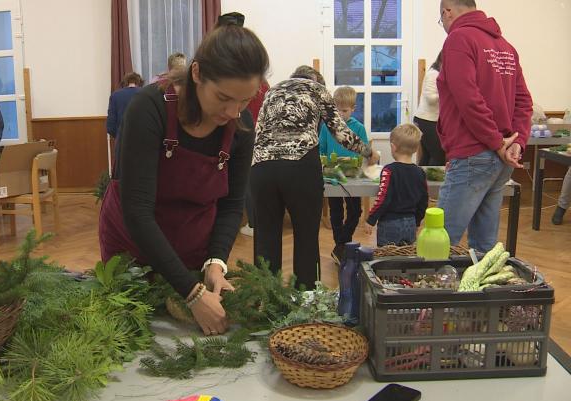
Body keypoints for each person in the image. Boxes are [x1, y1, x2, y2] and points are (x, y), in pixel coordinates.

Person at [98, 22, 269, 336]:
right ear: (196, 74)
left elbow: (232, 205)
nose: (234, 111)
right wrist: (192, 293)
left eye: (244, 101)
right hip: (132, 249)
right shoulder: (150, 108)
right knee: (135, 334)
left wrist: (215, 263)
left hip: (192, 249)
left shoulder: (240, 125)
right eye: (223, 97)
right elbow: (137, 212)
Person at [251, 66, 378, 290]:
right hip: (300, 167)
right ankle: (306, 299)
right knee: (306, 236)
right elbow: (341, 133)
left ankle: (265, 298)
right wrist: (369, 152)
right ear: (318, 81)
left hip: (262, 168)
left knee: (265, 237)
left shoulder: (271, 93)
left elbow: (257, 131)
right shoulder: (318, 89)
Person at [436, 0, 532, 253]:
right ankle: (480, 292)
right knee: (483, 247)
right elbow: (524, 102)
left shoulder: (459, 39)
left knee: (439, 241)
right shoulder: (506, 47)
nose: (443, 26)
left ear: (447, 12)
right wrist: (516, 144)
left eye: (441, 20)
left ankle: (437, 294)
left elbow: (468, 98)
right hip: (498, 160)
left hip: (473, 154)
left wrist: (498, 143)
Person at [319, 86, 369, 257]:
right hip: (332, 177)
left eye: (345, 110)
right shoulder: (327, 127)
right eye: (337, 110)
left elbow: (364, 150)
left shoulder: (359, 128)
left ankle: (341, 243)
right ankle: (341, 245)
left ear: (353, 109)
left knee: (356, 211)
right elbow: (321, 150)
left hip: (353, 177)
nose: (340, 114)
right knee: (336, 211)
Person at [366, 124, 429, 246]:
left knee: (386, 258)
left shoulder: (389, 170)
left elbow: (383, 198)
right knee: (406, 258)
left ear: (393, 147)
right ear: (416, 149)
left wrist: (371, 219)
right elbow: (423, 201)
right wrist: (417, 221)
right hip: (410, 222)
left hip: (390, 223)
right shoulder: (420, 173)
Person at [239, 79, 269, 238]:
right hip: (262, 134)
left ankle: (253, 224)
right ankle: (259, 222)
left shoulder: (243, 82)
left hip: (246, 131)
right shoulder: (265, 84)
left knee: (246, 182)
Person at [414, 51, 445, 166]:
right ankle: (432, 183)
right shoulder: (433, 74)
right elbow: (430, 99)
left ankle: (422, 182)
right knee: (438, 155)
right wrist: (448, 92)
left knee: (428, 155)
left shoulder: (440, 74)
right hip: (426, 120)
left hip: (430, 120)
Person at [106, 72, 144, 169]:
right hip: (144, 141)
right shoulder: (146, 93)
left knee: (123, 175)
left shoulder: (115, 96)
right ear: (139, 82)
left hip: (122, 141)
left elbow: (110, 126)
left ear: (125, 83)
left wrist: (119, 134)